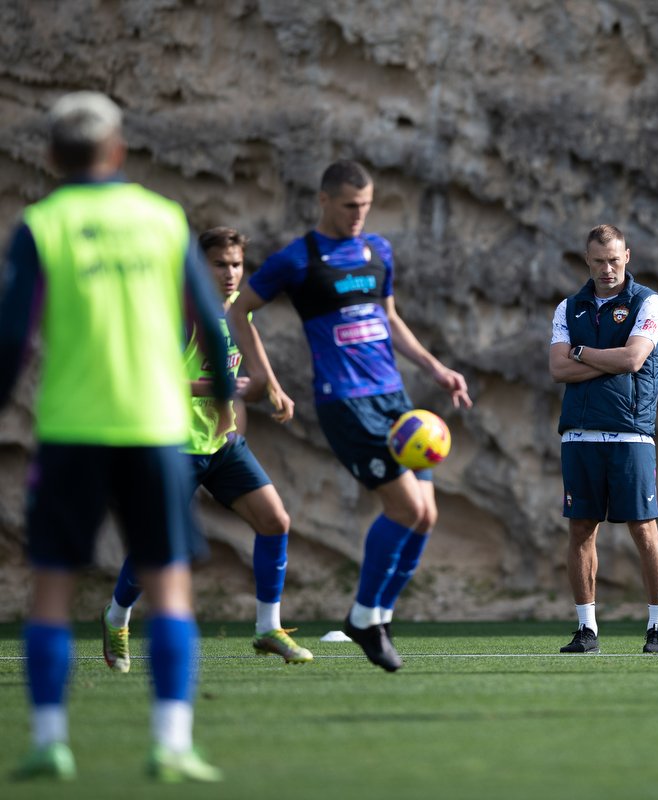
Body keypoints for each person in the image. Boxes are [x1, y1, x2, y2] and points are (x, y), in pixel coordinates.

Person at [0, 92, 232, 781]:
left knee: (52, 588)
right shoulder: (163, 220)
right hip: (154, 426)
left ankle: (50, 740)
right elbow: (210, 323)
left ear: (51, 156)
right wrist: (224, 399)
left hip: (72, 428)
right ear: (119, 150)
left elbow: (11, 334)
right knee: (169, 588)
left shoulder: (42, 224)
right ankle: (171, 743)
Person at [228, 160, 471, 673]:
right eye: (349, 205)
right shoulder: (297, 259)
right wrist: (265, 378)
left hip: (395, 400)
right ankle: (363, 618)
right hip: (346, 401)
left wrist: (436, 368)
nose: (359, 214)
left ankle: (378, 616)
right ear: (323, 200)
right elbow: (238, 311)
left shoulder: (377, 251)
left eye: (366, 205)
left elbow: (389, 318)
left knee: (426, 515)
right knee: (405, 508)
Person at [100, 226, 311, 672]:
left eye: (237, 264)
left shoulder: (235, 310)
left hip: (223, 442)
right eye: (220, 264)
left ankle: (268, 628)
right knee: (157, 542)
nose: (231, 273)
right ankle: (117, 618)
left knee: (275, 521)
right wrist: (215, 388)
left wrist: (273, 387)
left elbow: (248, 348)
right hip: (176, 444)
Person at [549, 224, 658, 655]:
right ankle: (586, 629)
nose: (607, 269)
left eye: (614, 260)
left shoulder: (648, 301)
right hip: (579, 433)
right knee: (581, 529)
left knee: (644, 528)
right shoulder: (568, 308)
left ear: (627, 256)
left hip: (631, 433)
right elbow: (557, 369)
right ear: (587, 259)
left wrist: (582, 353)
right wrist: (609, 360)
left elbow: (634, 358)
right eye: (599, 261)